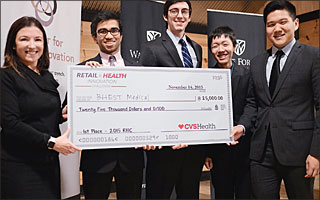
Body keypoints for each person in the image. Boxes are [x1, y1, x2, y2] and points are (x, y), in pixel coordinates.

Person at [231, 0, 320, 199]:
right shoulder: (257, 62)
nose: (277, 29)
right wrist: (243, 126)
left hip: (299, 152)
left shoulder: (313, 57)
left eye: (283, 22)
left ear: (295, 24)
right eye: (271, 24)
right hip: (261, 153)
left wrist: (316, 153)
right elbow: (253, 103)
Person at [0, 16, 80, 199]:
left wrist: (61, 114)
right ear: (13, 44)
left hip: (48, 162)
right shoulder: (6, 76)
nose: (32, 45)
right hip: (19, 164)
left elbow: (42, 113)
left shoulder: (47, 76)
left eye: (37, 39)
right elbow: (10, 122)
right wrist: (51, 142)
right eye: (24, 39)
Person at [139, 0, 204, 199]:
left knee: (189, 192)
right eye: (174, 11)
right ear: (165, 16)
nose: (180, 15)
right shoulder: (152, 48)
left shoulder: (196, 48)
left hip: (191, 139)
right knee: (159, 193)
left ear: (190, 17)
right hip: (164, 141)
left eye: (184, 11)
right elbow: (146, 92)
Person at [77, 11, 144, 199]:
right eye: (102, 31)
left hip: (131, 158)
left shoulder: (139, 71)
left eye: (114, 30)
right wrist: (86, 82)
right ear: (94, 37)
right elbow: (69, 110)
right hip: (97, 160)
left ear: (121, 35)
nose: (108, 35)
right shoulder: (82, 70)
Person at [205, 26, 252, 199]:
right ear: (211, 50)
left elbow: (251, 105)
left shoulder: (248, 75)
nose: (220, 50)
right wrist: (208, 152)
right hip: (218, 153)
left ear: (234, 46)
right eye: (215, 46)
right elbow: (205, 115)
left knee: (244, 195)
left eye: (225, 44)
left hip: (244, 151)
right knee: (222, 194)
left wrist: (241, 127)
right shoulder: (206, 78)